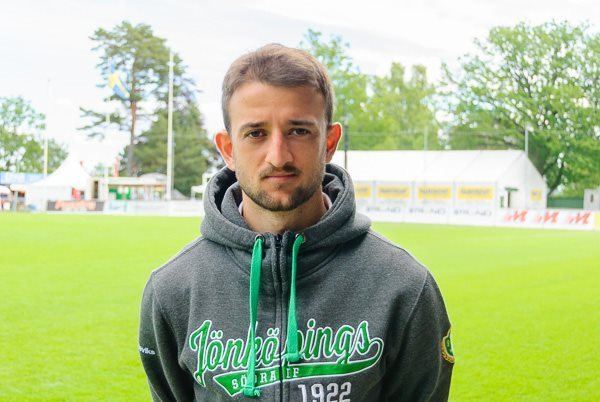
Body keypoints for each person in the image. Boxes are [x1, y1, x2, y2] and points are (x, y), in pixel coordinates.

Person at [138, 43, 454, 401]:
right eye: (256, 133)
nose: (278, 156)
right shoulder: (173, 289)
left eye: (298, 131)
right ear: (227, 149)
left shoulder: (404, 286)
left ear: (329, 142)